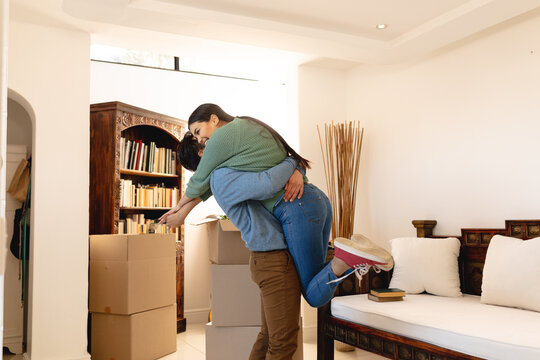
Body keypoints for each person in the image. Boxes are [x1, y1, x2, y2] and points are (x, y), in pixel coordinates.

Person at [160, 104, 392, 359]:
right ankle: (344, 258)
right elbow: (216, 185)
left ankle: (343, 259)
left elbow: (211, 186)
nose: (203, 138)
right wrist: (292, 163)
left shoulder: (230, 163)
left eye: (199, 132)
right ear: (205, 155)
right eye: (197, 138)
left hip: (294, 216)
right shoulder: (224, 173)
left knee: (284, 328)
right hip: (290, 230)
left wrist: (294, 166)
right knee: (279, 336)